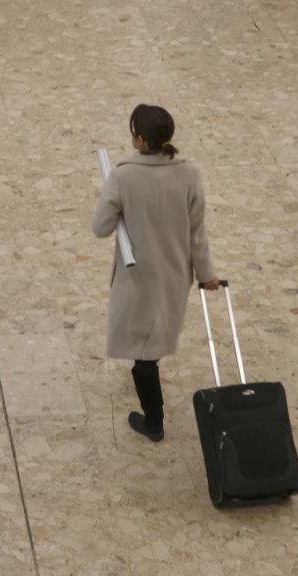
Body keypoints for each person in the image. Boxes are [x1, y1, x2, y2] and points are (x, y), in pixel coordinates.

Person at [92, 104, 221, 442]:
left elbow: (100, 227)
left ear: (139, 140)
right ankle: (148, 389)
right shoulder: (189, 172)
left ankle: (154, 422)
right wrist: (207, 273)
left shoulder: (122, 176)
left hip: (139, 276)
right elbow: (198, 231)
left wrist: (114, 202)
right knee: (154, 334)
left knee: (144, 351)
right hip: (176, 273)